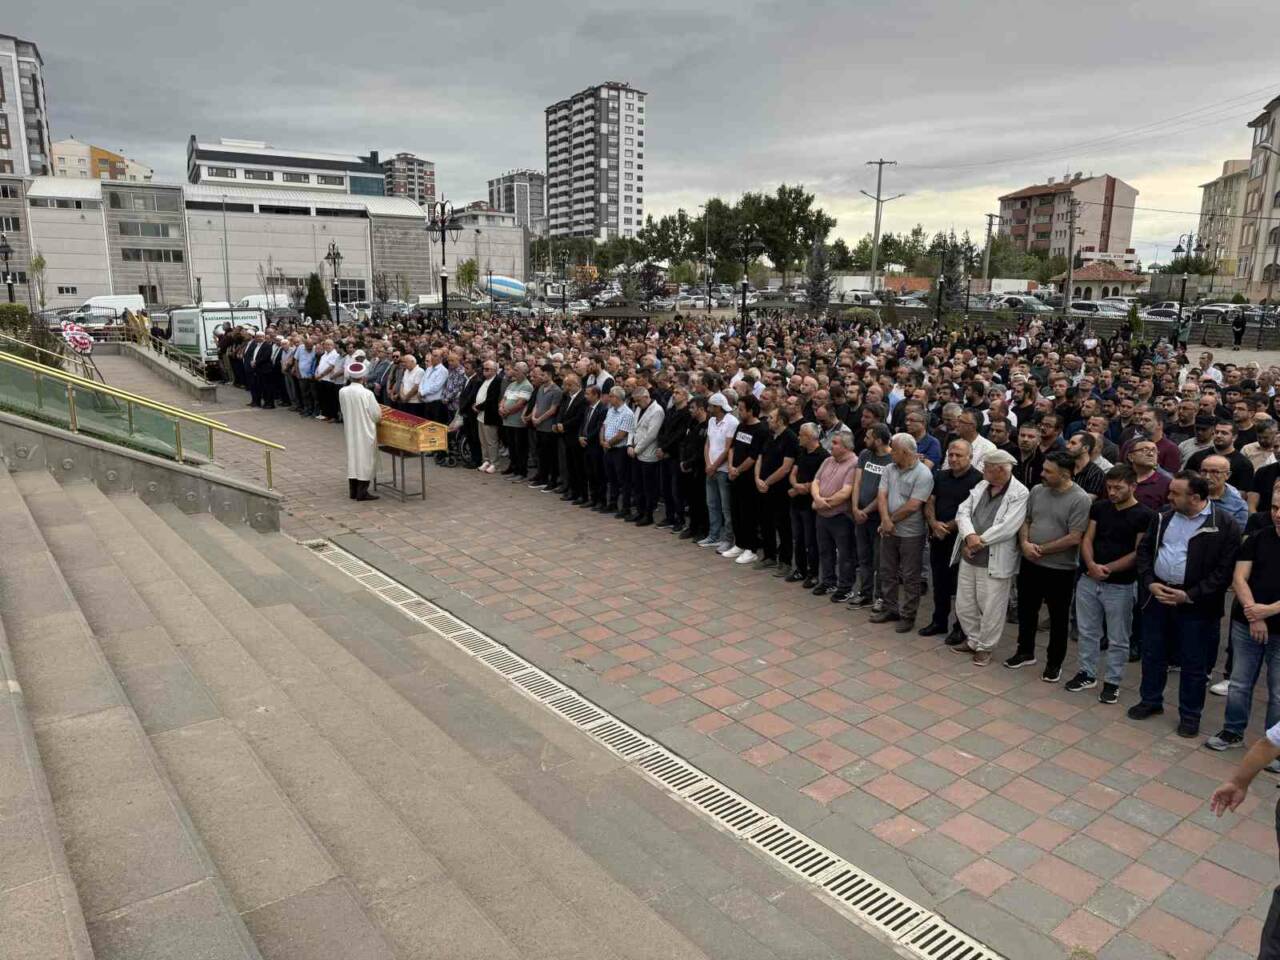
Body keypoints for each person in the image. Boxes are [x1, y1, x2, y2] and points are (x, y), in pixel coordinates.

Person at [1129, 471, 1241, 738]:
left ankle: (1190, 715)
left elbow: (1224, 572)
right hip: (1157, 597)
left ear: (1196, 497)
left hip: (1197, 606)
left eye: (1175, 493)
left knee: (1194, 662)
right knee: (1153, 654)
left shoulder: (1224, 524)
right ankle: (1151, 700)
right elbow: (1144, 551)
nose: (1168, 497)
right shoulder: (1163, 516)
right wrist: (1149, 582)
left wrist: (1189, 595)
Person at [1066, 465, 1153, 703]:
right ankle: (1087, 672)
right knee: (1087, 630)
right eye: (1109, 487)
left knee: (1118, 636)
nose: (1112, 492)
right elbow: (1088, 538)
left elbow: (1138, 552)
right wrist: (1091, 564)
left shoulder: (1145, 515)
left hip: (1121, 585)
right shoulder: (1100, 508)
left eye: (1118, 488)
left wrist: (1108, 569)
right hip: (1088, 579)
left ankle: (1113, 681)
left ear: (1133, 486)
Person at [1008, 451, 1092, 681]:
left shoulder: (1080, 499)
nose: (1042, 474)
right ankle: (1025, 651)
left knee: (1058, 617)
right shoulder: (1037, 491)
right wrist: (1025, 543)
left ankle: (1054, 663)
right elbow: (1026, 520)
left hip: (1060, 569)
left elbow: (1075, 537)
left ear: (1065, 475)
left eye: (1048, 471)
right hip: (1030, 562)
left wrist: (1041, 550)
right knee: (1027, 610)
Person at [1205, 496, 1280, 754]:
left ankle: (1273, 747)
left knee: (1278, 692)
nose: (1277, 514)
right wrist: (1255, 615)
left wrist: (1267, 611)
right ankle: (1233, 731)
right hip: (1246, 624)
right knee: (1239, 683)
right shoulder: (1259, 538)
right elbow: (1239, 578)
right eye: (1274, 508)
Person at [950, 449, 1029, 666]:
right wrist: (969, 536)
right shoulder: (982, 485)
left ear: (1001, 470)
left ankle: (985, 647)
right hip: (970, 554)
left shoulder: (1020, 493)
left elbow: (1008, 527)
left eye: (987, 467)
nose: (982, 470)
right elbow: (963, 511)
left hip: (993, 560)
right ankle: (973, 639)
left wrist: (978, 542)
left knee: (991, 607)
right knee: (965, 604)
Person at [871, 433, 934, 632]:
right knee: (887, 571)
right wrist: (885, 520)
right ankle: (891, 608)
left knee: (910, 576)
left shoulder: (923, 474)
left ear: (905, 452)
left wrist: (890, 520)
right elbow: (881, 494)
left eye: (894, 450)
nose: (891, 453)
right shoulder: (890, 468)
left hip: (911, 534)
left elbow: (913, 505)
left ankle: (908, 615)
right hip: (889, 529)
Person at [921, 439, 981, 642]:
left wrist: (946, 527)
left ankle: (960, 627)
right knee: (939, 583)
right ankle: (939, 621)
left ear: (970, 457)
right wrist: (934, 523)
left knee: (961, 588)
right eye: (951, 455)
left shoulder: (978, 480)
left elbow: (972, 512)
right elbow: (930, 501)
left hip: (960, 541)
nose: (953, 458)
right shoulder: (941, 475)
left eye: (959, 455)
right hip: (938, 537)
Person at [811, 428, 859, 601]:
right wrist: (817, 498)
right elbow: (816, 481)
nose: (831, 446)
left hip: (841, 517)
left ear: (846, 446)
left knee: (845, 554)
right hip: (822, 515)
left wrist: (823, 503)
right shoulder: (828, 460)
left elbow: (846, 492)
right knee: (825, 551)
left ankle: (846, 587)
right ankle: (829, 581)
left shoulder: (854, 464)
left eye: (835, 443)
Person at [852, 424, 893, 607]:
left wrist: (866, 510)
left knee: (879, 560)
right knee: (864, 557)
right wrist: (855, 507)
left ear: (877, 440)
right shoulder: (864, 455)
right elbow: (857, 482)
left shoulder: (892, 459)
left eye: (868, 437)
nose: (864, 440)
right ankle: (865, 592)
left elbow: (885, 492)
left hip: (877, 517)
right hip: (859, 514)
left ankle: (880, 596)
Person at [723, 394, 767, 563]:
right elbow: (733, 448)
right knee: (736, 512)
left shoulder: (760, 430)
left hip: (748, 479)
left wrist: (738, 470)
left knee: (749, 514)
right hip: (735, 477)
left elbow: (753, 456)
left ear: (750, 410)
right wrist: (731, 467)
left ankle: (751, 548)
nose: (739, 412)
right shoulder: (741, 426)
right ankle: (739, 543)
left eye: (741, 409)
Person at [786, 422, 828, 586]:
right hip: (796, 503)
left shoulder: (823, 456)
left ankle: (813, 573)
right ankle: (800, 569)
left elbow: (819, 480)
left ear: (810, 437)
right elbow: (794, 472)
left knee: (811, 540)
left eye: (801, 435)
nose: (798, 437)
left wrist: (798, 489)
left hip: (810, 504)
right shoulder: (801, 451)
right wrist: (795, 485)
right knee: (798, 538)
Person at [756, 407, 797, 572]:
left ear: (781, 420)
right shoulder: (769, 435)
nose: (768, 420)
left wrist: (766, 482)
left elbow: (786, 467)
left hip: (780, 489)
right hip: (764, 487)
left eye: (771, 418)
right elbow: (760, 457)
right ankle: (769, 555)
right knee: (765, 522)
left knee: (783, 525)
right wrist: (757, 478)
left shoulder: (790, 438)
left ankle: (785, 561)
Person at [338, 360, 382, 501]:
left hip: (350, 429)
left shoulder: (342, 391)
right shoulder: (367, 393)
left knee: (353, 458)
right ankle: (362, 492)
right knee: (365, 460)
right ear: (363, 378)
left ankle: (353, 491)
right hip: (365, 431)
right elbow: (377, 415)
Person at [700, 392, 738, 551]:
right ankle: (714, 535)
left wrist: (715, 466)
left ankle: (728, 538)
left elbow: (728, 447)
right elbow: (707, 444)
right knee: (712, 504)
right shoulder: (711, 421)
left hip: (722, 470)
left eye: (710, 406)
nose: (708, 409)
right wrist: (708, 464)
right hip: (710, 470)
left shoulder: (732, 422)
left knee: (725, 507)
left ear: (718, 407)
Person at [627, 386, 664, 526]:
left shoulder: (657, 411)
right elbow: (633, 427)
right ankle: (640, 511)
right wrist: (630, 444)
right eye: (635, 401)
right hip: (635, 451)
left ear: (646, 397)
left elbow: (651, 435)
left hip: (648, 453)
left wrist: (637, 449)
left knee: (648, 487)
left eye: (638, 400)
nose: (636, 403)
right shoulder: (638, 408)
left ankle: (648, 515)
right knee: (638, 485)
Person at [1186, 420, 1255, 492]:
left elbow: (1242, 493)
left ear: (1234, 437)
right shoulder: (1197, 457)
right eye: (1216, 432)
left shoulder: (1243, 464)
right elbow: (1186, 482)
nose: (1218, 435)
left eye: (1224, 433)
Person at [601, 386, 636, 516]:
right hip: (608, 449)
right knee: (611, 478)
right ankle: (613, 503)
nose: (609, 398)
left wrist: (608, 443)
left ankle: (625, 508)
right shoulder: (611, 410)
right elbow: (604, 426)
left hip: (619, 450)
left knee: (623, 480)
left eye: (611, 396)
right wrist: (602, 441)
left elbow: (622, 434)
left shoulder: (627, 413)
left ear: (617, 398)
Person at [499, 362, 534, 479]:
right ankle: (513, 467)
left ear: (524, 373)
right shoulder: (511, 384)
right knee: (512, 447)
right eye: (514, 369)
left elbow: (520, 404)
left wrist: (506, 412)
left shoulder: (527, 386)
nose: (514, 372)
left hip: (518, 423)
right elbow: (504, 399)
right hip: (507, 421)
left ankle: (521, 471)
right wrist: (500, 408)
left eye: (517, 370)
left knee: (520, 448)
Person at [472, 360, 504, 474]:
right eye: (484, 369)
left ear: (495, 370)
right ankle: (486, 460)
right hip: (481, 415)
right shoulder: (484, 381)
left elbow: (492, 399)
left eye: (487, 369)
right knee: (483, 441)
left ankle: (495, 463)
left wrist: (478, 407)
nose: (484, 371)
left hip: (490, 415)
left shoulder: (497, 381)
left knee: (491, 441)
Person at [1202, 454, 1249, 528]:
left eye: (1215, 472)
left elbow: (1234, 535)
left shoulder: (1238, 506)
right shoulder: (1189, 496)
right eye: (1204, 471)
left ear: (1227, 475)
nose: (1207, 477)